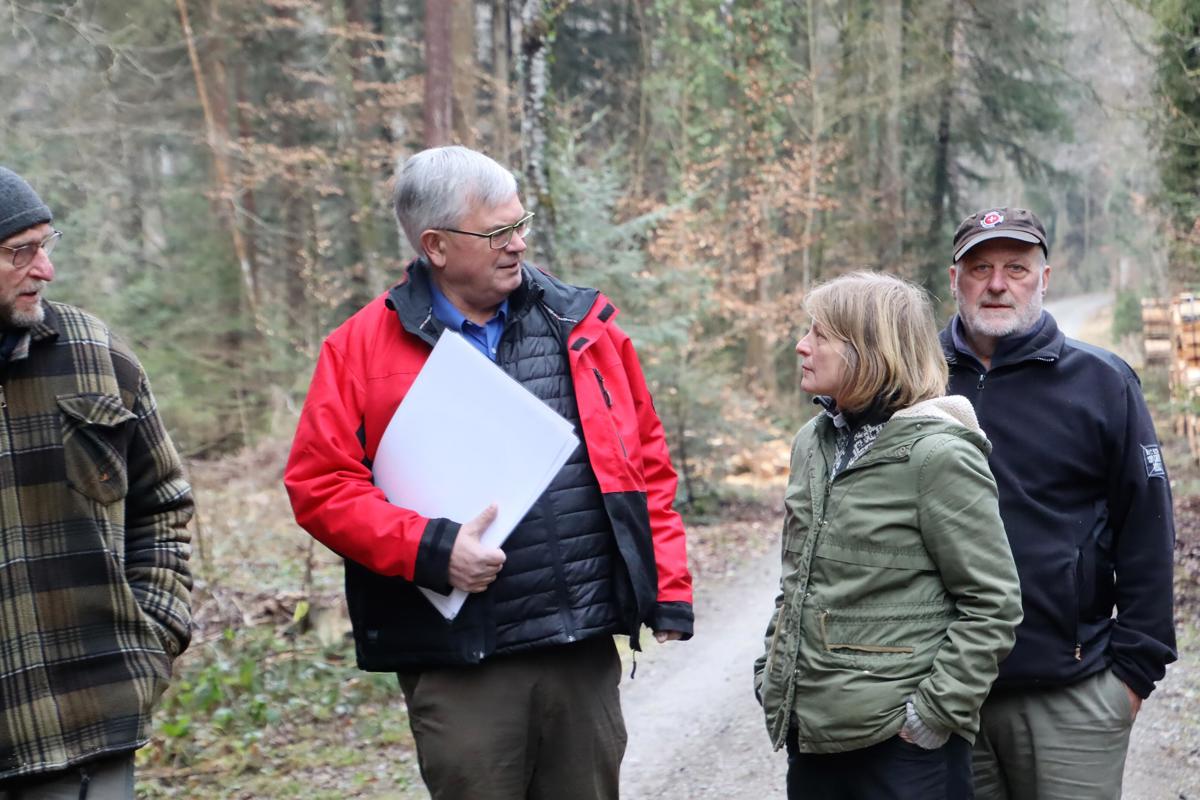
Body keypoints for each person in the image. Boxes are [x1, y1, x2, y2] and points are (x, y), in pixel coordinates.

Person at [284, 145, 693, 800]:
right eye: (498, 232)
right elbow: (319, 486)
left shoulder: (582, 323)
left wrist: (667, 586)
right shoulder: (357, 348)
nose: (518, 243)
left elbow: (643, 459)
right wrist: (431, 550)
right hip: (460, 662)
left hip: (577, 646)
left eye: (520, 224)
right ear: (436, 246)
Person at [755, 271, 1022, 800]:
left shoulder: (938, 455)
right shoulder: (814, 441)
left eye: (820, 335)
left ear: (869, 349)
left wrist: (932, 714)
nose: (801, 346)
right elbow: (798, 577)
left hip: (901, 752)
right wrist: (771, 669)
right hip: (812, 736)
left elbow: (993, 603)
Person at [942, 207, 1178, 799]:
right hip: (942, 695)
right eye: (981, 268)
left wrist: (1133, 673)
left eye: (1017, 268)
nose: (997, 284)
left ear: (1044, 278)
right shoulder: (915, 377)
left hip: (1073, 697)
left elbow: (1147, 529)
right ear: (954, 280)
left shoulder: (1101, 382)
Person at [0, 167, 193, 799]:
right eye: (18, 252)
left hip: (92, 730)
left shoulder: (94, 356)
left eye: (46, 245)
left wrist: (152, 634)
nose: (44, 269)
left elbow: (162, 504)